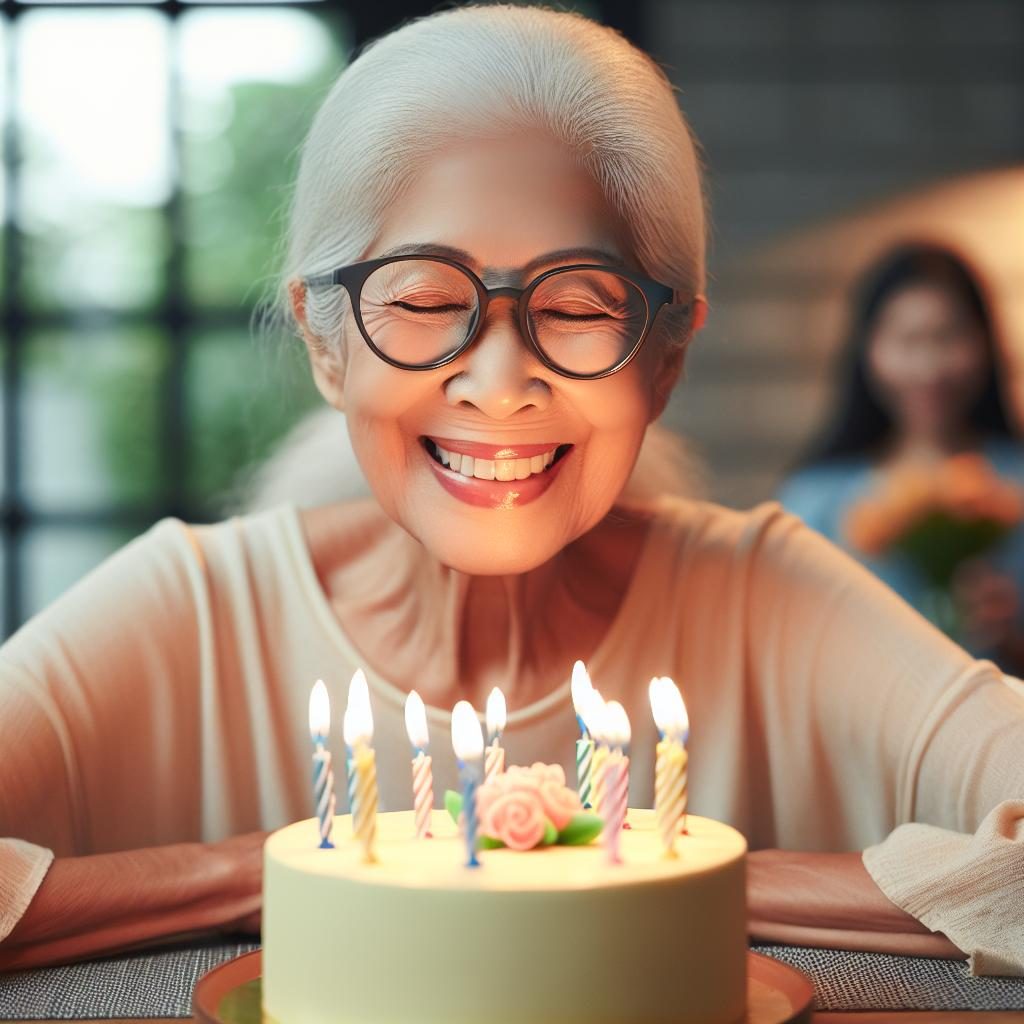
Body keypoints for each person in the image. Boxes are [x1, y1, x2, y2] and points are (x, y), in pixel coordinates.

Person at [1, 5, 1021, 978]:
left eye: (578, 303)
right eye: (426, 298)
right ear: (323, 339)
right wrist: (283, 869)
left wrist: (649, 874)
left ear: (662, 361)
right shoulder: (195, 608)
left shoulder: (763, 595)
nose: (498, 384)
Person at [779, 244, 1024, 673]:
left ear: (986, 343)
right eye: (907, 340)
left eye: (949, 337)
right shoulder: (815, 501)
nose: (929, 367)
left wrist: (1011, 636)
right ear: (868, 349)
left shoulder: (1013, 482)